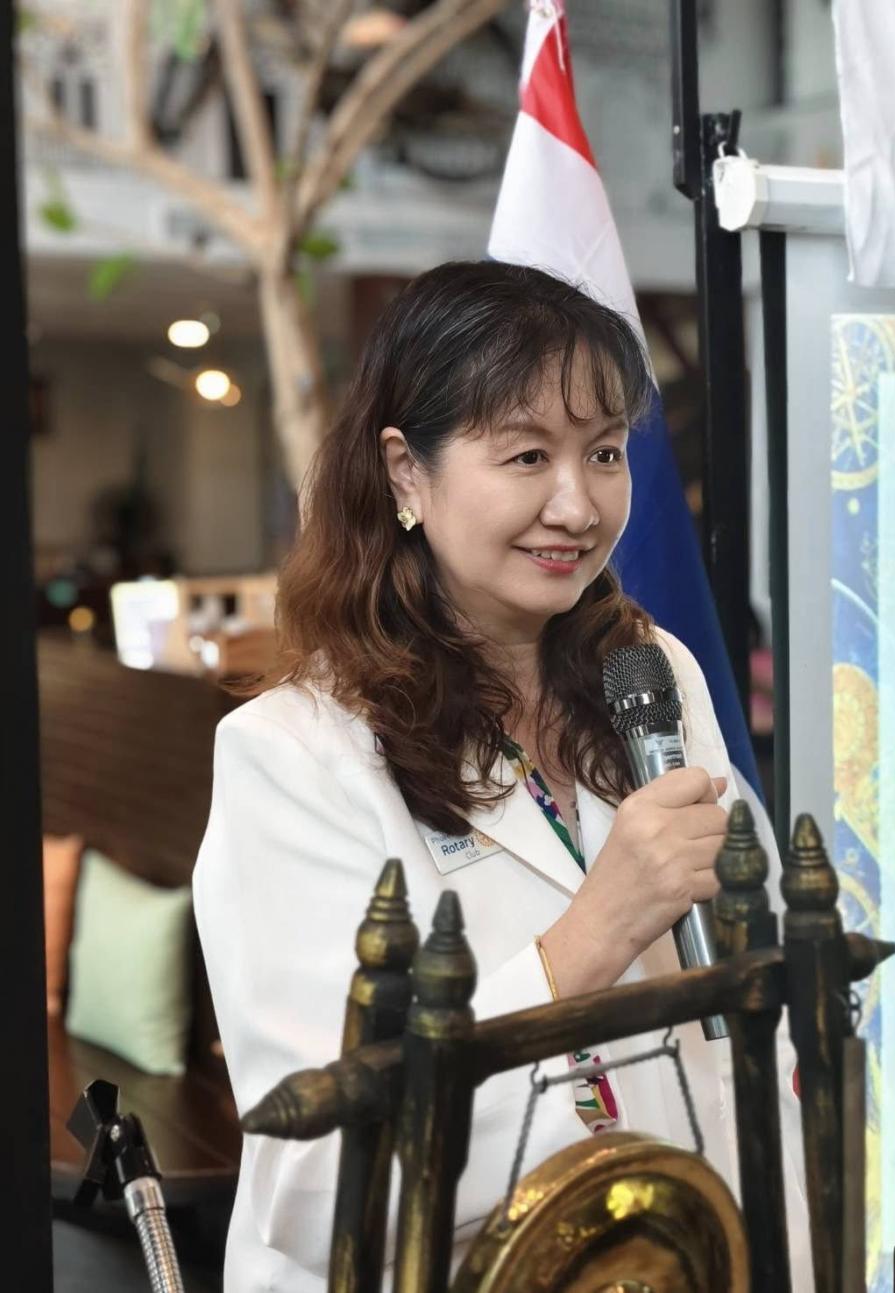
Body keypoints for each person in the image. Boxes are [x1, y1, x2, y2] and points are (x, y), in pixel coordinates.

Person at [194, 260, 808, 1292]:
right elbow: (316, 1180)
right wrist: (589, 938)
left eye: (603, 452)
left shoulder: (652, 672)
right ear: (405, 473)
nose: (576, 504)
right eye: (527, 455)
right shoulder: (291, 753)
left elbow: (765, 1013)